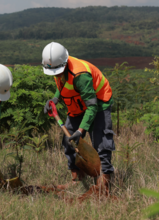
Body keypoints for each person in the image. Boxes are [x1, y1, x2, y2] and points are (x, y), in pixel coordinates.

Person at [42, 42, 115, 197]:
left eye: (57, 71)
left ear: (64, 63)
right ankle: (77, 178)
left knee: (101, 142)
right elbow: (62, 83)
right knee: (68, 140)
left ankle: (103, 182)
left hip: (98, 103)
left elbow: (92, 107)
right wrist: (55, 99)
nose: (55, 74)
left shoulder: (80, 75)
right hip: (77, 104)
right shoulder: (59, 69)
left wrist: (80, 131)